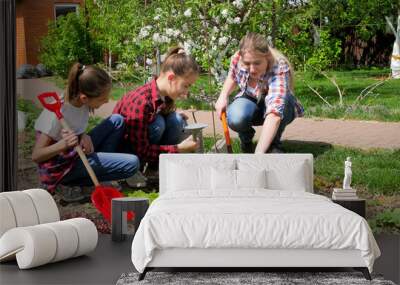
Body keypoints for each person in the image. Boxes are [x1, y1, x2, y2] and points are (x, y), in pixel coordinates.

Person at [32, 63, 139, 203]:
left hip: (76, 152)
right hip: (62, 167)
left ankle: (100, 175)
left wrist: (83, 135)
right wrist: (62, 145)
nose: (107, 101)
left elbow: (77, 127)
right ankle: (66, 184)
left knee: (116, 120)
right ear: (84, 98)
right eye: (102, 99)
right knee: (132, 163)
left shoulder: (80, 102)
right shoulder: (56, 113)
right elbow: (37, 156)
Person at [215, 32, 304, 153]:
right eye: (247, 63)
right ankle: (246, 142)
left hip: (277, 108)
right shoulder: (238, 58)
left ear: (267, 57)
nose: (252, 69)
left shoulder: (278, 66)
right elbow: (232, 77)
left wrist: (258, 154)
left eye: (257, 63)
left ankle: (273, 145)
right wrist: (223, 96)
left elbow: (274, 114)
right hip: (251, 99)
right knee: (236, 116)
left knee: (285, 101)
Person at [113, 47, 199, 168]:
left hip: (141, 147)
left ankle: (158, 168)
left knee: (176, 120)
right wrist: (178, 148)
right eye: (186, 86)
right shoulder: (141, 101)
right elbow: (142, 150)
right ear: (171, 78)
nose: (186, 92)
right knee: (158, 124)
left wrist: (173, 114)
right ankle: (135, 170)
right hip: (125, 153)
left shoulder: (164, 95)